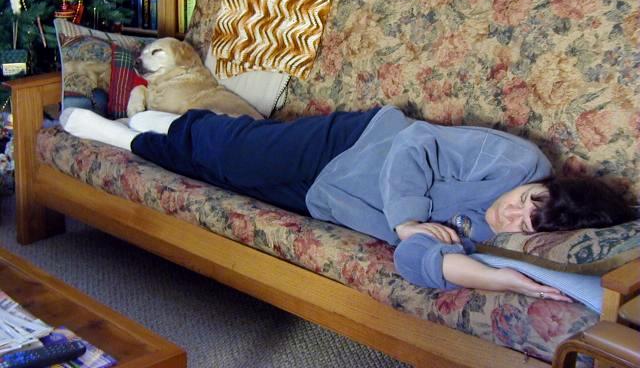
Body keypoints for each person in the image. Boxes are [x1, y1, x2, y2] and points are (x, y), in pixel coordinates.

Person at [60, 105, 637, 300]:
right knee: (235, 153)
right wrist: (408, 219)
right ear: (543, 184)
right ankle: (174, 120)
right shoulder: (517, 161)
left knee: (215, 177)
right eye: (526, 202)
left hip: (326, 200)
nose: (511, 214)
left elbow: (414, 259)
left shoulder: (498, 242)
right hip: (352, 143)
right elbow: (417, 143)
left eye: (526, 224)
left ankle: (127, 139)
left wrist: (501, 278)